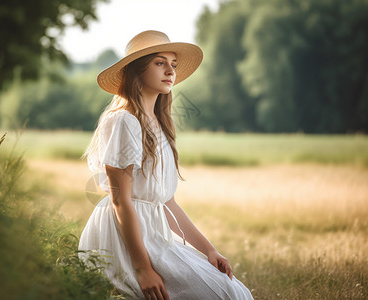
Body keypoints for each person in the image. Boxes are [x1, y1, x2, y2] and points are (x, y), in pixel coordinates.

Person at [79, 30, 253, 300]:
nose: (170, 70)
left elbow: (166, 201)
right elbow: (120, 200)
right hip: (124, 238)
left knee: (235, 292)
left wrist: (209, 250)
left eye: (173, 64)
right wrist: (143, 269)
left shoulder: (159, 125)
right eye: (160, 63)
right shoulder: (124, 120)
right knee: (223, 296)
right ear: (136, 71)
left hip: (155, 234)